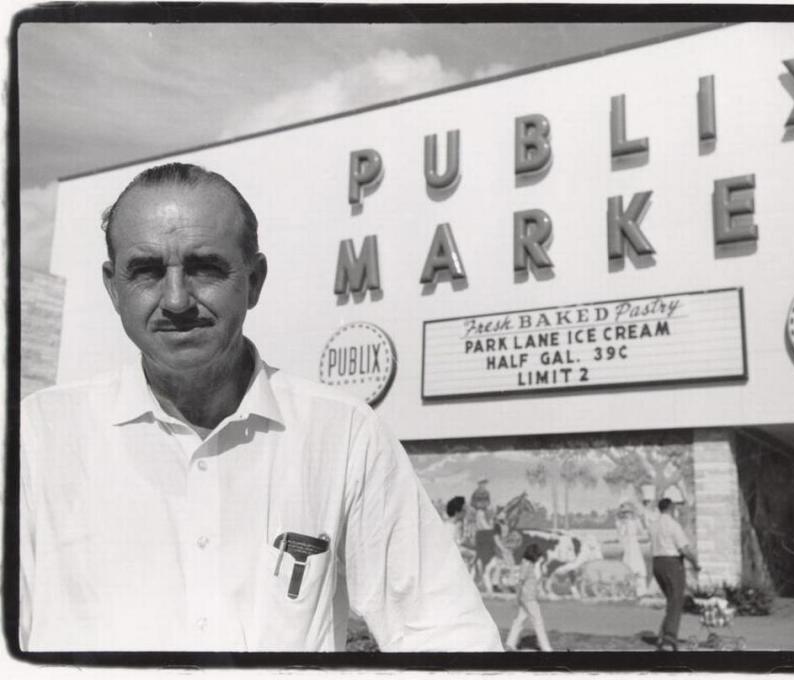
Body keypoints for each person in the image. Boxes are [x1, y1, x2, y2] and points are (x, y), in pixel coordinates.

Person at [19, 162, 502, 652]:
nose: (176, 298)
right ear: (112, 287)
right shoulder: (38, 438)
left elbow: (444, 632)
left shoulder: (343, 435)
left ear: (255, 281)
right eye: (145, 271)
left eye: (205, 267)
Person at [650, 498, 700, 651]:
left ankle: (662, 635)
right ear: (671, 508)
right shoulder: (673, 525)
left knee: (672, 601)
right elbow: (684, 549)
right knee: (676, 600)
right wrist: (695, 563)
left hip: (657, 563)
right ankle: (669, 638)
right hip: (671, 563)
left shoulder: (654, 525)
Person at [504, 543, 553, 652]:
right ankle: (546, 647)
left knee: (519, 620)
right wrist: (517, 598)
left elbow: (538, 578)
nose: (540, 557)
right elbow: (520, 583)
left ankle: (510, 644)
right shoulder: (527, 565)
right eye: (538, 555)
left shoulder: (530, 564)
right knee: (538, 622)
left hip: (527, 597)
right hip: (528, 598)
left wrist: (539, 564)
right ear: (533, 555)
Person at [615, 501, 648, 597]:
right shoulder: (620, 523)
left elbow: (642, 533)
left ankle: (640, 591)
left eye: (628, 512)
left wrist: (636, 537)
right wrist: (623, 525)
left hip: (634, 546)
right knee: (626, 564)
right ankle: (627, 591)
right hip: (626, 546)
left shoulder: (636, 522)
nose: (626, 515)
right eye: (624, 513)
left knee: (637, 566)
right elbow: (620, 535)